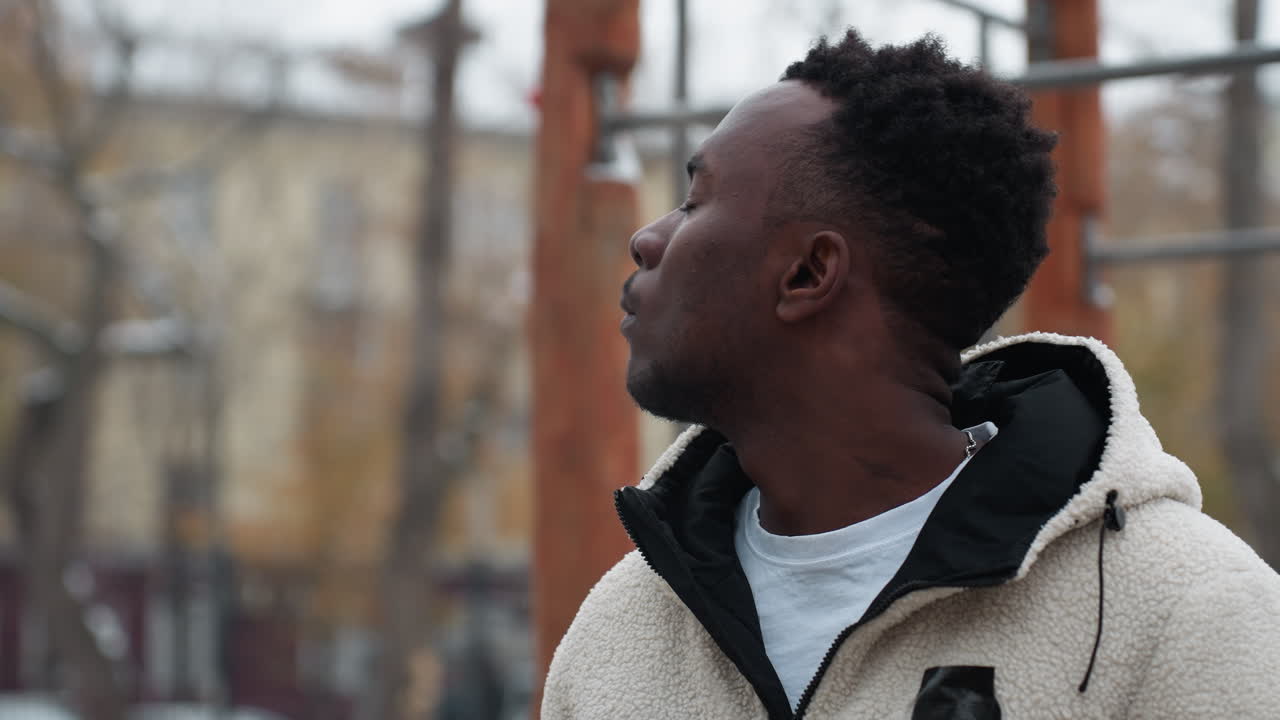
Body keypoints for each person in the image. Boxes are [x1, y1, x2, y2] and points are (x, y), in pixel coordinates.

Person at [541, 29, 1280, 720]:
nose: (647, 238)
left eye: (696, 201)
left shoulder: (1185, 611)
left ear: (809, 273)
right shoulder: (620, 634)